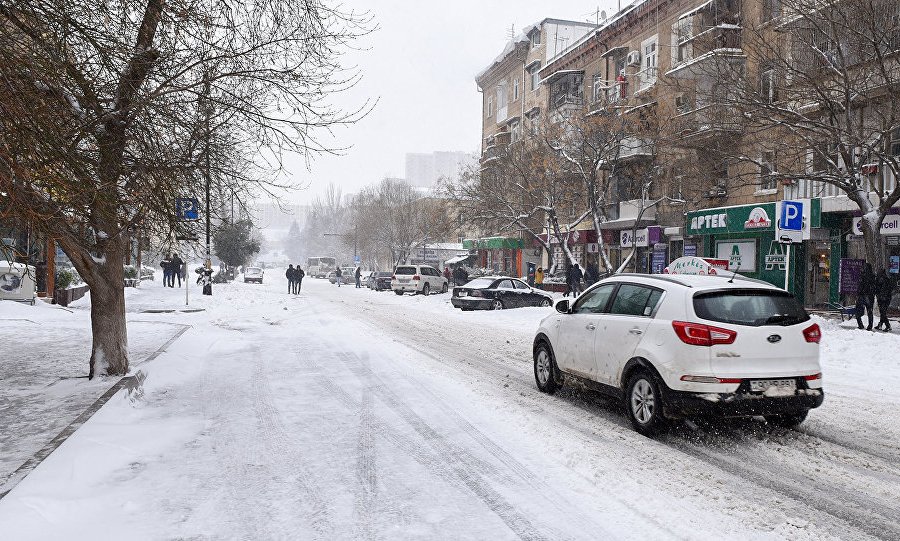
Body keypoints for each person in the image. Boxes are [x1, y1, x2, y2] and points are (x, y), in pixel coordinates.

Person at [855, 263, 876, 330]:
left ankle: (860, 325)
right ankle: (870, 326)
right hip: (870, 296)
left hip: (863, 295)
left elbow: (861, 286)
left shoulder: (863, 275)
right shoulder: (873, 276)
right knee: (869, 311)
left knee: (858, 311)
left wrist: (859, 292)